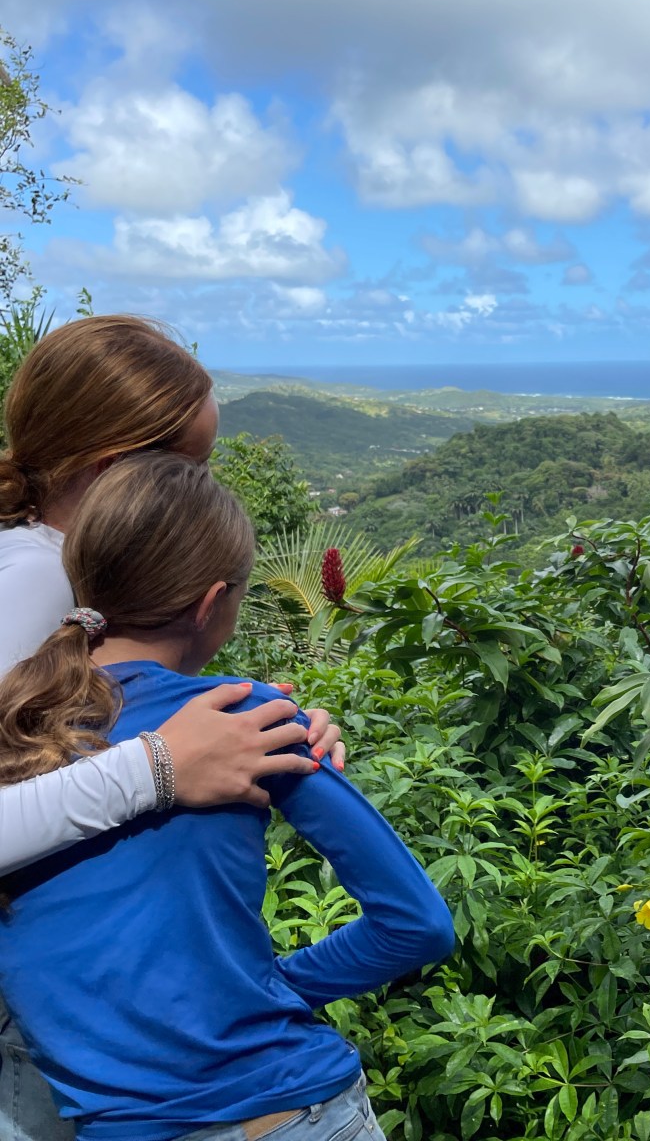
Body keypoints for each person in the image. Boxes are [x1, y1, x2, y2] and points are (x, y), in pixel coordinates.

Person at [0, 452, 455, 1140]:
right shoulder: (251, 718)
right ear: (213, 603)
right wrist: (269, 988)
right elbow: (417, 923)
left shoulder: (15, 730)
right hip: (289, 1111)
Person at [0, 314, 343, 1140]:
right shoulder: (38, 582)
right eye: (191, 465)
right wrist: (160, 766)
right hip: (57, 1039)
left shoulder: (43, 565)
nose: (200, 488)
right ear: (114, 469)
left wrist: (253, 725)